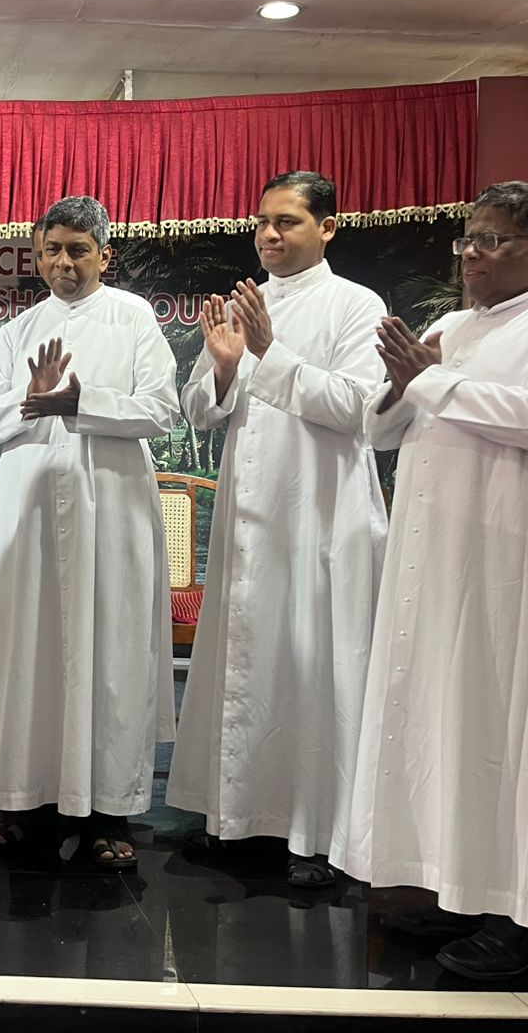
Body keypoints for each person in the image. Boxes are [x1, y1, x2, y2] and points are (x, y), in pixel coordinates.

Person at [331, 181, 528, 980]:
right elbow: (380, 430)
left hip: (517, 563)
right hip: (438, 563)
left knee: (514, 729)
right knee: (447, 725)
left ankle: (525, 921)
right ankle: (459, 887)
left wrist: (427, 379)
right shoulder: (452, 328)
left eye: (491, 241)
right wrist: (400, 384)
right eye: (467, 240)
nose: (470, 256)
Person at [167, 171, 389, 887]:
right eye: (262, 221)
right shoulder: (243, 305)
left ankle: (318, 836)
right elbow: (199, 409)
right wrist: (225, 369)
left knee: (313, 664)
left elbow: (360, 408)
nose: (268, 233)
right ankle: (237, 818)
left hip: (320, 515)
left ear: (328, 227)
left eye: (287, 221)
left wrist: (269, 354)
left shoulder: (356, 305)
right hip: (249, 516)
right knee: (247, 661)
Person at [0, 195, 181, 871]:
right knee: (23, 648)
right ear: (37, 255)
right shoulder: (19, 329)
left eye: (78, 250)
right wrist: (31, 400)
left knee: (110, 648)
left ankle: (109, 812)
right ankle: (19, 802)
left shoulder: (133, 317)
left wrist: (81, 402)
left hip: (109, 504)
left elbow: (162, 410)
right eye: (52, 250)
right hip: (26, 509)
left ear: (104, 255)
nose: (64, 262)